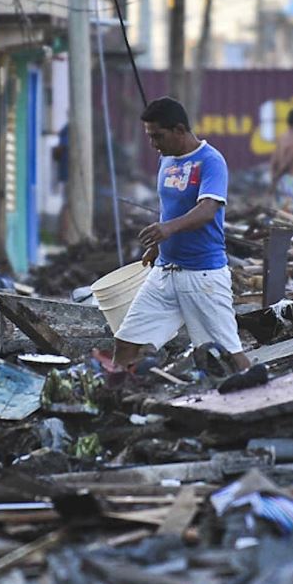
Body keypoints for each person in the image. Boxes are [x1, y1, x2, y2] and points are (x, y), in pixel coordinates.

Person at [112, 97, 251, 376]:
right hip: (164, 274)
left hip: (202, 277)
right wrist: (159, 245)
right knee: (126, 341)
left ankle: (260, 396)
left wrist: (168, 229)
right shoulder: (166, 160)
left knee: (229, 355)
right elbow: (169, 208)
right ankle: (115, 400)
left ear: (179, 130)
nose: (153, 144)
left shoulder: (210, 161)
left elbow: (207, 209)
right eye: (149, 137)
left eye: (158, 136)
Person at [269, 107, 293, 205]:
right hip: (291, 180)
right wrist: (278, 174)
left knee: (280, 211)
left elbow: (274, 160)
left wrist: (274, 178)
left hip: (280, 180)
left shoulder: (282, 137)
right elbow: (288, 160)